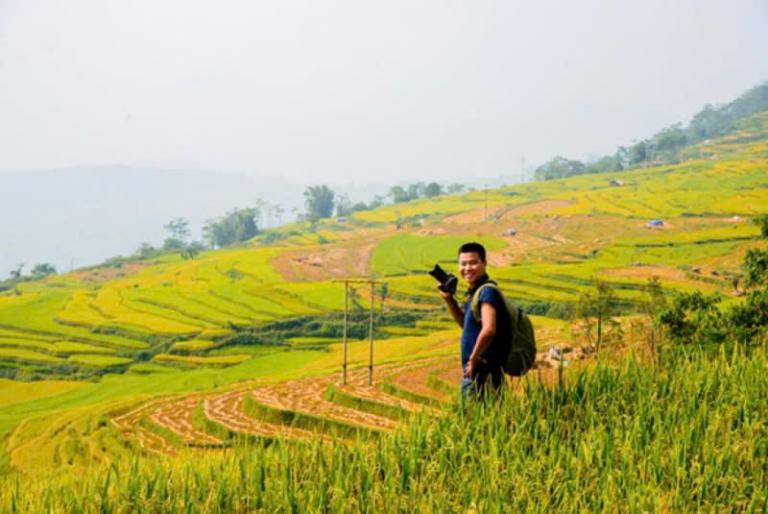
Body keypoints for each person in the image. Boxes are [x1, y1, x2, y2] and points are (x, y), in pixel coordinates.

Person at [438, 242, 510, 398]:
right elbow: (466, 326)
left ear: (484, 263)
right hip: (479, 372)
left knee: (473, 419)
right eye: (463, 264)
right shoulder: (476, 293)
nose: (467, 268)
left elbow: (489, 329)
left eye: (473, 263)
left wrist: (474, 358)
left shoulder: (487, 292)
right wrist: (450, 301)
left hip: (482, 373)